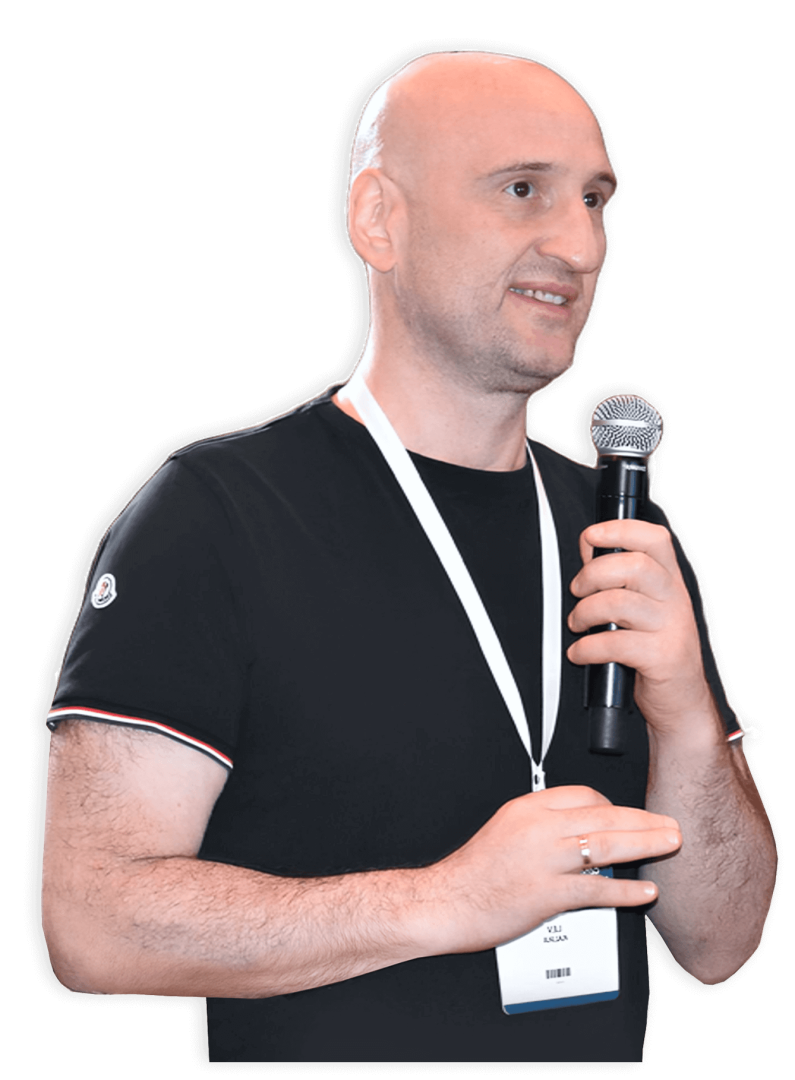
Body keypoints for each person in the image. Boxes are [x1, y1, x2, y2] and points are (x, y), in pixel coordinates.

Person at [41, 50, 777, 1064]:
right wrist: (448, 902)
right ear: (379, 219)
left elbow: (722, 943)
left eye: (595, 200)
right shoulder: (213, 514)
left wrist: (689, 721)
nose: (578, 244)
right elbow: (93, 924)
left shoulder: (618, 531)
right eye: (522, 190)